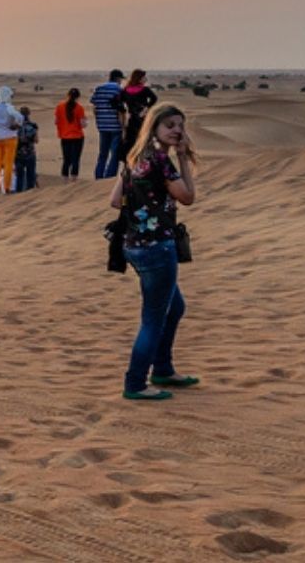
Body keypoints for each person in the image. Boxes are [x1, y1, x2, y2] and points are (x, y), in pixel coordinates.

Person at [111, 104, 198, 400]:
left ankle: (163, 369)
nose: (177, 130)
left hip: (135, 246)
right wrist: (184, 158)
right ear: (155, 127)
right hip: (157, 248)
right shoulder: (161, 160)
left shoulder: (135, 158)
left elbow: (114, 200)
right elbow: (187, 196)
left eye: (180, 125)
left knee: (175, 308)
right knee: (153, 320)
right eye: (170, 125)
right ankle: (135, 383)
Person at [118, 70, 159, 169]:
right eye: (144, 77)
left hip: (133, 120)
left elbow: (116, 102)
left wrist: (125, 111)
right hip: (143, 120)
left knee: (132, 143)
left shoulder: (125, 90)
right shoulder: (145, 90)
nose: (146, 79)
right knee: (144, 141)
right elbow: (154, 99)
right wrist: (146, 108)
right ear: (139, 78)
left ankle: (131, 165)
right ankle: (141, 165)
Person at [92, 69, 127, 179]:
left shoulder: (99, 89)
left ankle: (98, 175)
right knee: (114, 154)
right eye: (121, 79)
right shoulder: (119, 90)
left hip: (102, 125)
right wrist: (123, 126)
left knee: (103, 153)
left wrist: (98, 120)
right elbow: (121, 110)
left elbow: (95, 107)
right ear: (118, 79)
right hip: (116, 126)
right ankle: (109, 177)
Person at [54, 87, 89, 181]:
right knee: (75, 159)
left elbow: (56, 121)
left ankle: (65, 179)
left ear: (68, 95)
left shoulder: (59, 106)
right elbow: (83, 125)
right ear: (78, 97)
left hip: (65, 136)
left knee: (66, 159)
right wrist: (86, 120)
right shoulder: (79, 108)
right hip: (77, 136)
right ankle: (74, 178)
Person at [13, 107, 39, 191]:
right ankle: (30, 193)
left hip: (18, 153)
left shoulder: (15, 126)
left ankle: (19, 194)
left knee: (19, 176)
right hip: (30, 153)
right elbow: (36, 140)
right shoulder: (33, 125)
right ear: (29, 114)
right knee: (30, 175)